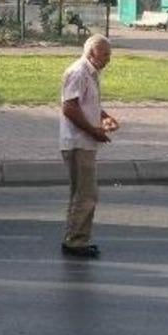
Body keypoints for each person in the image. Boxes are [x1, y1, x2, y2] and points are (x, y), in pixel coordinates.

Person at [59, 34, 119, 258]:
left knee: (82, 194)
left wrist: (104, 117)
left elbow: (87, 104)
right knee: (86, 194)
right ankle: (75, 242)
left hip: (85, 141)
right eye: (105, 54)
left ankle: (75, 237)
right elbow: (70, 108)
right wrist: (93, 130)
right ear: (91, 53)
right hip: (78, 142)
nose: (108, 59)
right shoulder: (78, 72)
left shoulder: (91, 73)